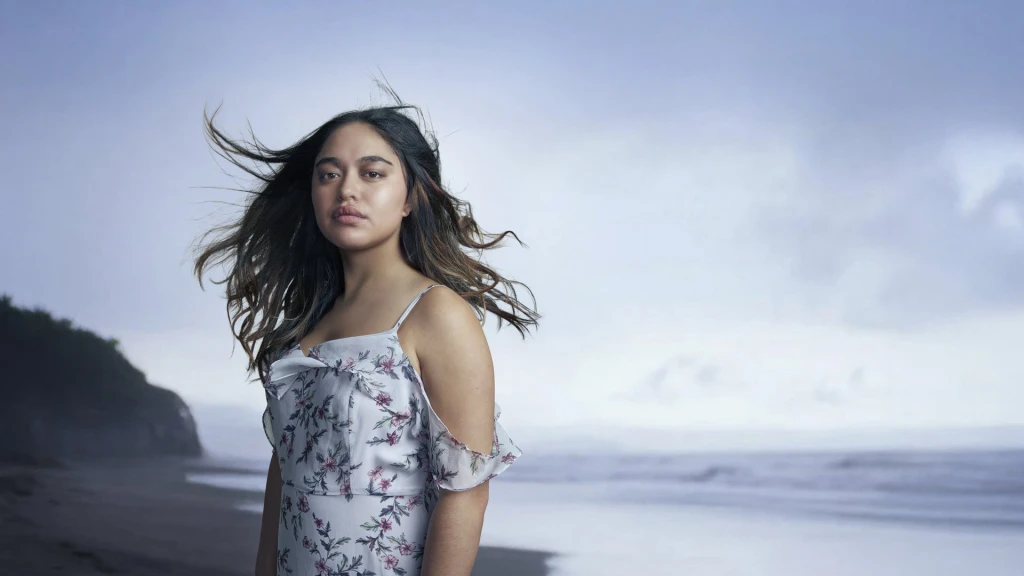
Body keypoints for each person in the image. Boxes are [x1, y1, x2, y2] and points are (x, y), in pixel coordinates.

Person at [192, 89, 539, 576]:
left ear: (411, 197)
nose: (346, 190)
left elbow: (466, 491)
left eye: (372, 174)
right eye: (328, 175)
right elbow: (286, 468)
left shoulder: (437, 314)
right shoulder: (308, 318)